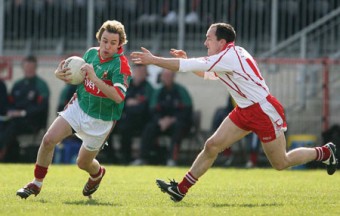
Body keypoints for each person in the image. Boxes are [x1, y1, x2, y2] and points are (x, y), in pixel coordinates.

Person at [130, 23, 338, 202]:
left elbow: (185, 66)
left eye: (208, 38)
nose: (205, 43)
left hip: (262, 111)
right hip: (244, 110)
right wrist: (188, 61)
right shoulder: (228, 54)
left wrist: (153, 59)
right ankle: (180, 189)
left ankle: (325, 152)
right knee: (212, 145)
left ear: (221, 42)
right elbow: (206, 74)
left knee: (280, 163)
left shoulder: (228, 56)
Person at [16, 20, 132, 199]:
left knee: (83, 163)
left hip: (101, 121)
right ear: (99, 39)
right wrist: (60, 73)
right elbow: (75, 76)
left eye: (113, 43)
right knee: (48, 140)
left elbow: (118, 96)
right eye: (104, 40)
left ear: (119, 45)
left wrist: (94, 78)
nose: (107, 46)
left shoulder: (121, 66)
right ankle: (36, 183)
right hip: (79, 106)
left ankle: (97, 173)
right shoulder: (90, 54)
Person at [130, 68, 193, 166]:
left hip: (177, 122)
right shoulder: (158, 91)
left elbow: (187, 110)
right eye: (165, 76)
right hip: (161, 123)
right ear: (161, 77)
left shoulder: (181, 91)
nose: (166, 78)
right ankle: (142, 158)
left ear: (173, 77)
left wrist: (172, 120)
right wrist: (160, 120)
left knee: (179, 129)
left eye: (169, 76)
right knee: (149, 128)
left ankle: (172, 159)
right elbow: (152, 109)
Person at [0, 55, 50, 162]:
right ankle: (9, 157)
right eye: (26, 66)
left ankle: (2, 155)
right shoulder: (18, 85)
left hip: (32, 122)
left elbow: (42, 107)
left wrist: (23, 113)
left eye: (30, 66)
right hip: (15, 119)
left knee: (11, 127)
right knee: (5, 126)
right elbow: (10, 103)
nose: (28, 68)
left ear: (35, 67)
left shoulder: (41, 85)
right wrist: (11, 112)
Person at [114, 64, 154, 164]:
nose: (140, 74)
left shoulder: (149, 88)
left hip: (142, 120)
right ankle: (116, 157)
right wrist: (129, 104)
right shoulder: (125, 85)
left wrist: (130, 104)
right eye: (138, 71)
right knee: (111, 125)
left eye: (143, 72)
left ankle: (138, 158)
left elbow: (146, 107)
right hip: (125, 118)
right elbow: (118, 102)